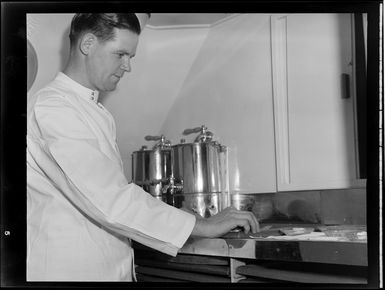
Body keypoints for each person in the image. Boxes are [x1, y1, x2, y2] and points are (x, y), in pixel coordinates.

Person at [27, 13, 259, 282]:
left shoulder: (93, 110)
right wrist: (204, 225)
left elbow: (109, 192)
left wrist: (177, 215)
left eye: (131, 57)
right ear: (88, 44)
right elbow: (109, 200)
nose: (127, 67)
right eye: (121, 54)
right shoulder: (52, 108)